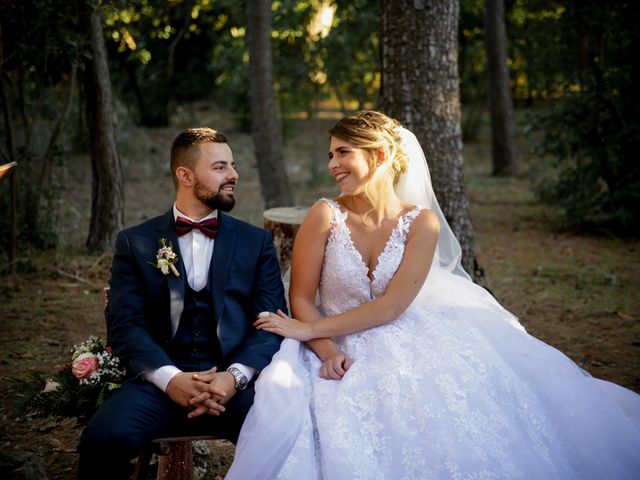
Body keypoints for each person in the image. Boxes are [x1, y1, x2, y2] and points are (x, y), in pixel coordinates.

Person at [225, 111, 640, 479]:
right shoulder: (323, 215)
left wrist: (309, 326)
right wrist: (325, 348)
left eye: (343, 153)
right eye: (331, 154)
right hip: (329, 341)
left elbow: (392, 306)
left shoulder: (421, 224)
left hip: (400, 329)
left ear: (380, 156)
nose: (332, 164)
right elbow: (300, 297)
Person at [77, 128, 286, 479]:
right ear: (185, 175)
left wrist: (233, 378)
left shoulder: (256, 242)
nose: (234, 175)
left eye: (232, 165)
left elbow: (271, 324)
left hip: (233, 387)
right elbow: (125, 325)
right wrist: (171, 379)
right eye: (220, 167)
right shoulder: (135, 242)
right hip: (158, 384)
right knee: (103, 439)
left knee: (284, 437)